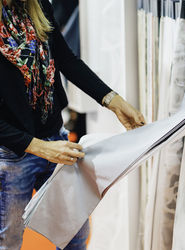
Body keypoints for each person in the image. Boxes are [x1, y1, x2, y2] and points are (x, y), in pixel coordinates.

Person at [0, 0, 146, 249]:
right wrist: (37, 147)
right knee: (9, 241)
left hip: (55, 138)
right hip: (13, 154)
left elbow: (66, 60)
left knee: (75, 234)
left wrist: (113, 100)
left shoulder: (37, 6)